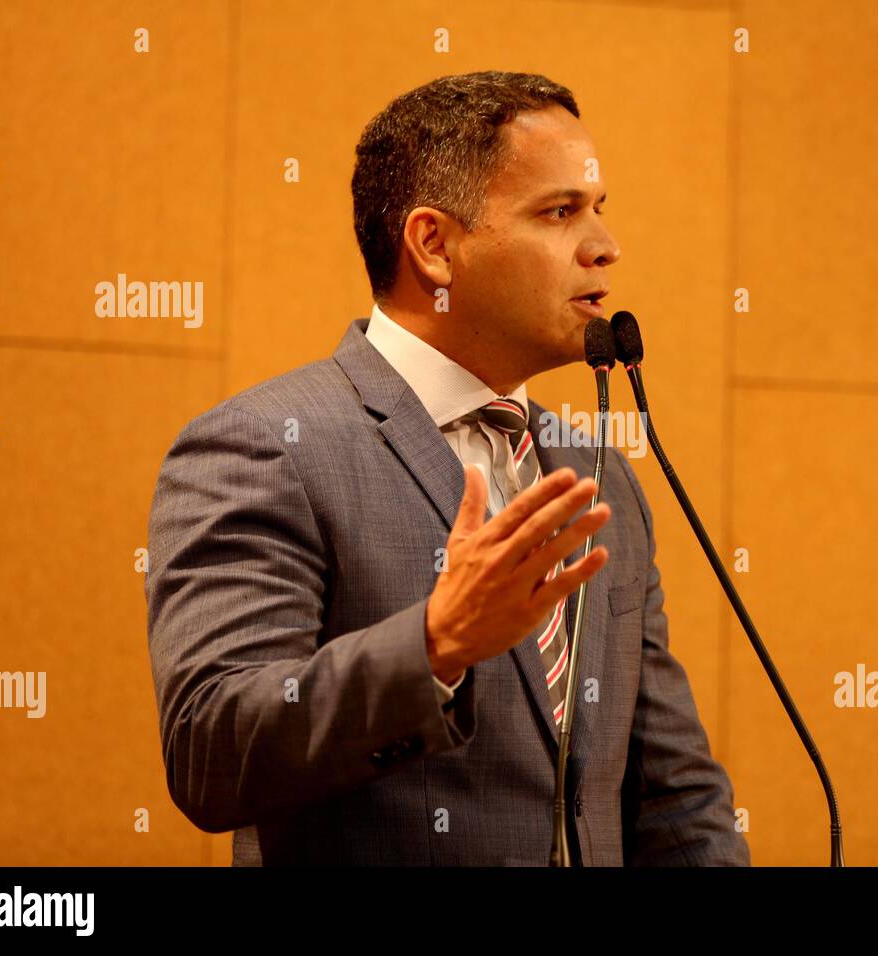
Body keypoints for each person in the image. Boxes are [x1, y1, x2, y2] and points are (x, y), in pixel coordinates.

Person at [144, 70, 749, 866]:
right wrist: (435, 645)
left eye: (598, 210)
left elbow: (674, 798)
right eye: (560, 212)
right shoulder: (267, 446)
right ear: (434, 245)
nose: (606, 246)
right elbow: (211, 751)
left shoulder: (602, 476)